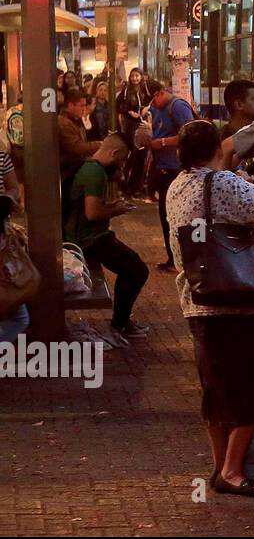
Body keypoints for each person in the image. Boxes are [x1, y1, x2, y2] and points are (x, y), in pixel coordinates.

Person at [168, 120, 254, 497]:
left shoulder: (175, 187)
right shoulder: (221, 183)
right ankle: (234, 471)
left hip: (196, 301)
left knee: (216, 391)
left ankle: (221, 466)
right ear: (217, 150)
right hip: (236, 304)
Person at [63, 134, 149, 344]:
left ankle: (122, 320)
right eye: (122, 159)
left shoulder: (91, 168)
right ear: (114, 154)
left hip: (88, 236)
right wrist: (116, 210)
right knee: (136, 269)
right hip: (88, 240)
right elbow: (92, 212)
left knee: (131, 266)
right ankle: (119, 324)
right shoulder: (94, 173)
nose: (122, 164)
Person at [143, 79, 196, 274]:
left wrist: (163, 142)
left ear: (159, 93)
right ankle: (172, 258)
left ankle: (180, 261)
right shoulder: (156, 109)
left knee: (175, 217)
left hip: (177, 170)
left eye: (152, 100)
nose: (152, 105)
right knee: (165, 217)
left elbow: (190, 134)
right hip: (162, 168)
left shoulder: (178, 107)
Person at [116, 68, 149, 198]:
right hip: (131, 126)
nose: (135, 78)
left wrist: (147, 109)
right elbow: (118, 106)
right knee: (134, 155)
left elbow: (152, 101)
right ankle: (127, 186)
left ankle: (137, 186)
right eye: (133, 76)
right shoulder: (125, 92)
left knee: (142, 155)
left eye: (137, 76)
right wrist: (128, 112)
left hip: (143, 124)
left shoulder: (145, 90)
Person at [58, 89, 101, 183]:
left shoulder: (75, 119)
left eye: (85, 105)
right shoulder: (63, 123)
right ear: (70, 105)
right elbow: (76, 147)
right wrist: (100, 145)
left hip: (77, 162)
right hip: (69, 167)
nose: (84, 108)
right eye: (81, 105)